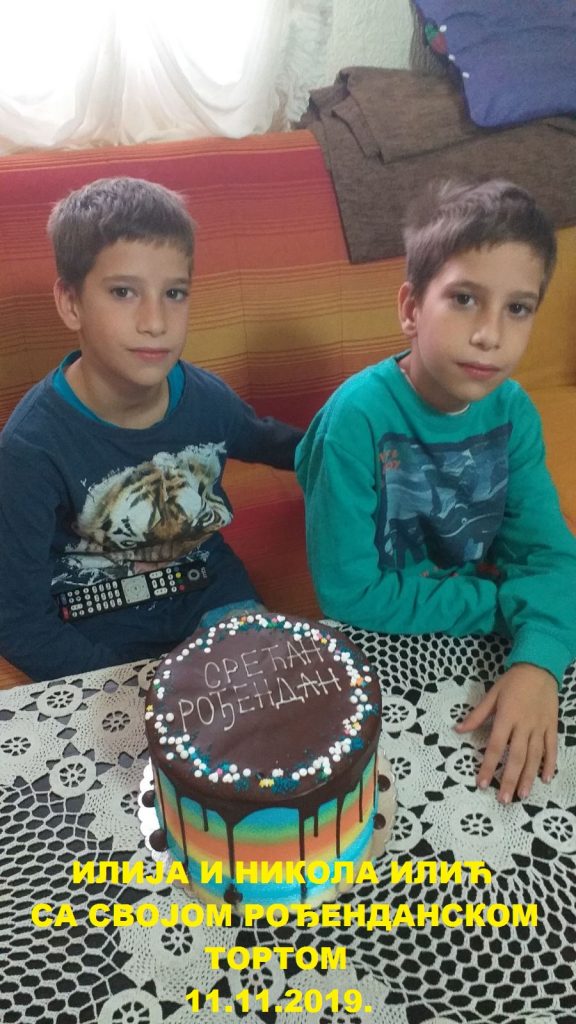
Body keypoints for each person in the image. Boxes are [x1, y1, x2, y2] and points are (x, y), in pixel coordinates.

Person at [296, 178, 576, 804]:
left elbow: (550, 556)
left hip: (484, 639)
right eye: (465, 299)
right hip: (380, 643)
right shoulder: (356, 420)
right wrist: (502, 604)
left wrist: (538, 660)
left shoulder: (514, 412)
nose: (490, 334)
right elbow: (349, 593)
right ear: (411, 308)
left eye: (518, 308)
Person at [0, 177, 303, 682]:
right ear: (71, 303)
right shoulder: (30, 448)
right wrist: (125, 688)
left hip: (208, 592)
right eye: (123, 292)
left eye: (174, 293)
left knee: (273, 701)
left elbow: (278, 444)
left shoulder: (205, 398)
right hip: (99, 623)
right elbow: (18, 620)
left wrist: (364, 449)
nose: (156, 322)